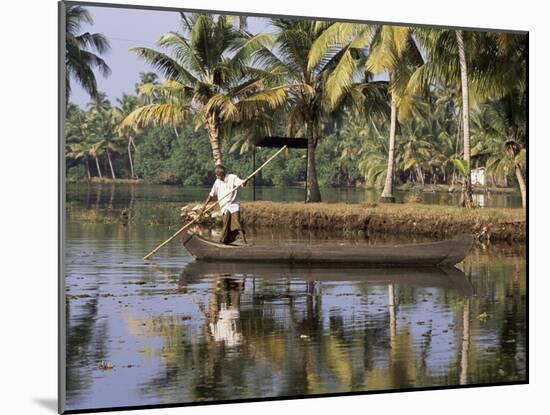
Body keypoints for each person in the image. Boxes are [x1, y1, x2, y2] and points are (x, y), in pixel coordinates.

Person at [201, 165, 249, 245]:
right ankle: (224, 242)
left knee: (237, 224)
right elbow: (211, 195)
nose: (216, 175)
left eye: (216, 174)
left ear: (220, 174)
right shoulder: (217, 182)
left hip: (233, 205)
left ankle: (245, 243)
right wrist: (204, 206)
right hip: (224, 207)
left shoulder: (232, 178)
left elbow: (242, 184)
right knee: (226, 226)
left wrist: (246, 180)